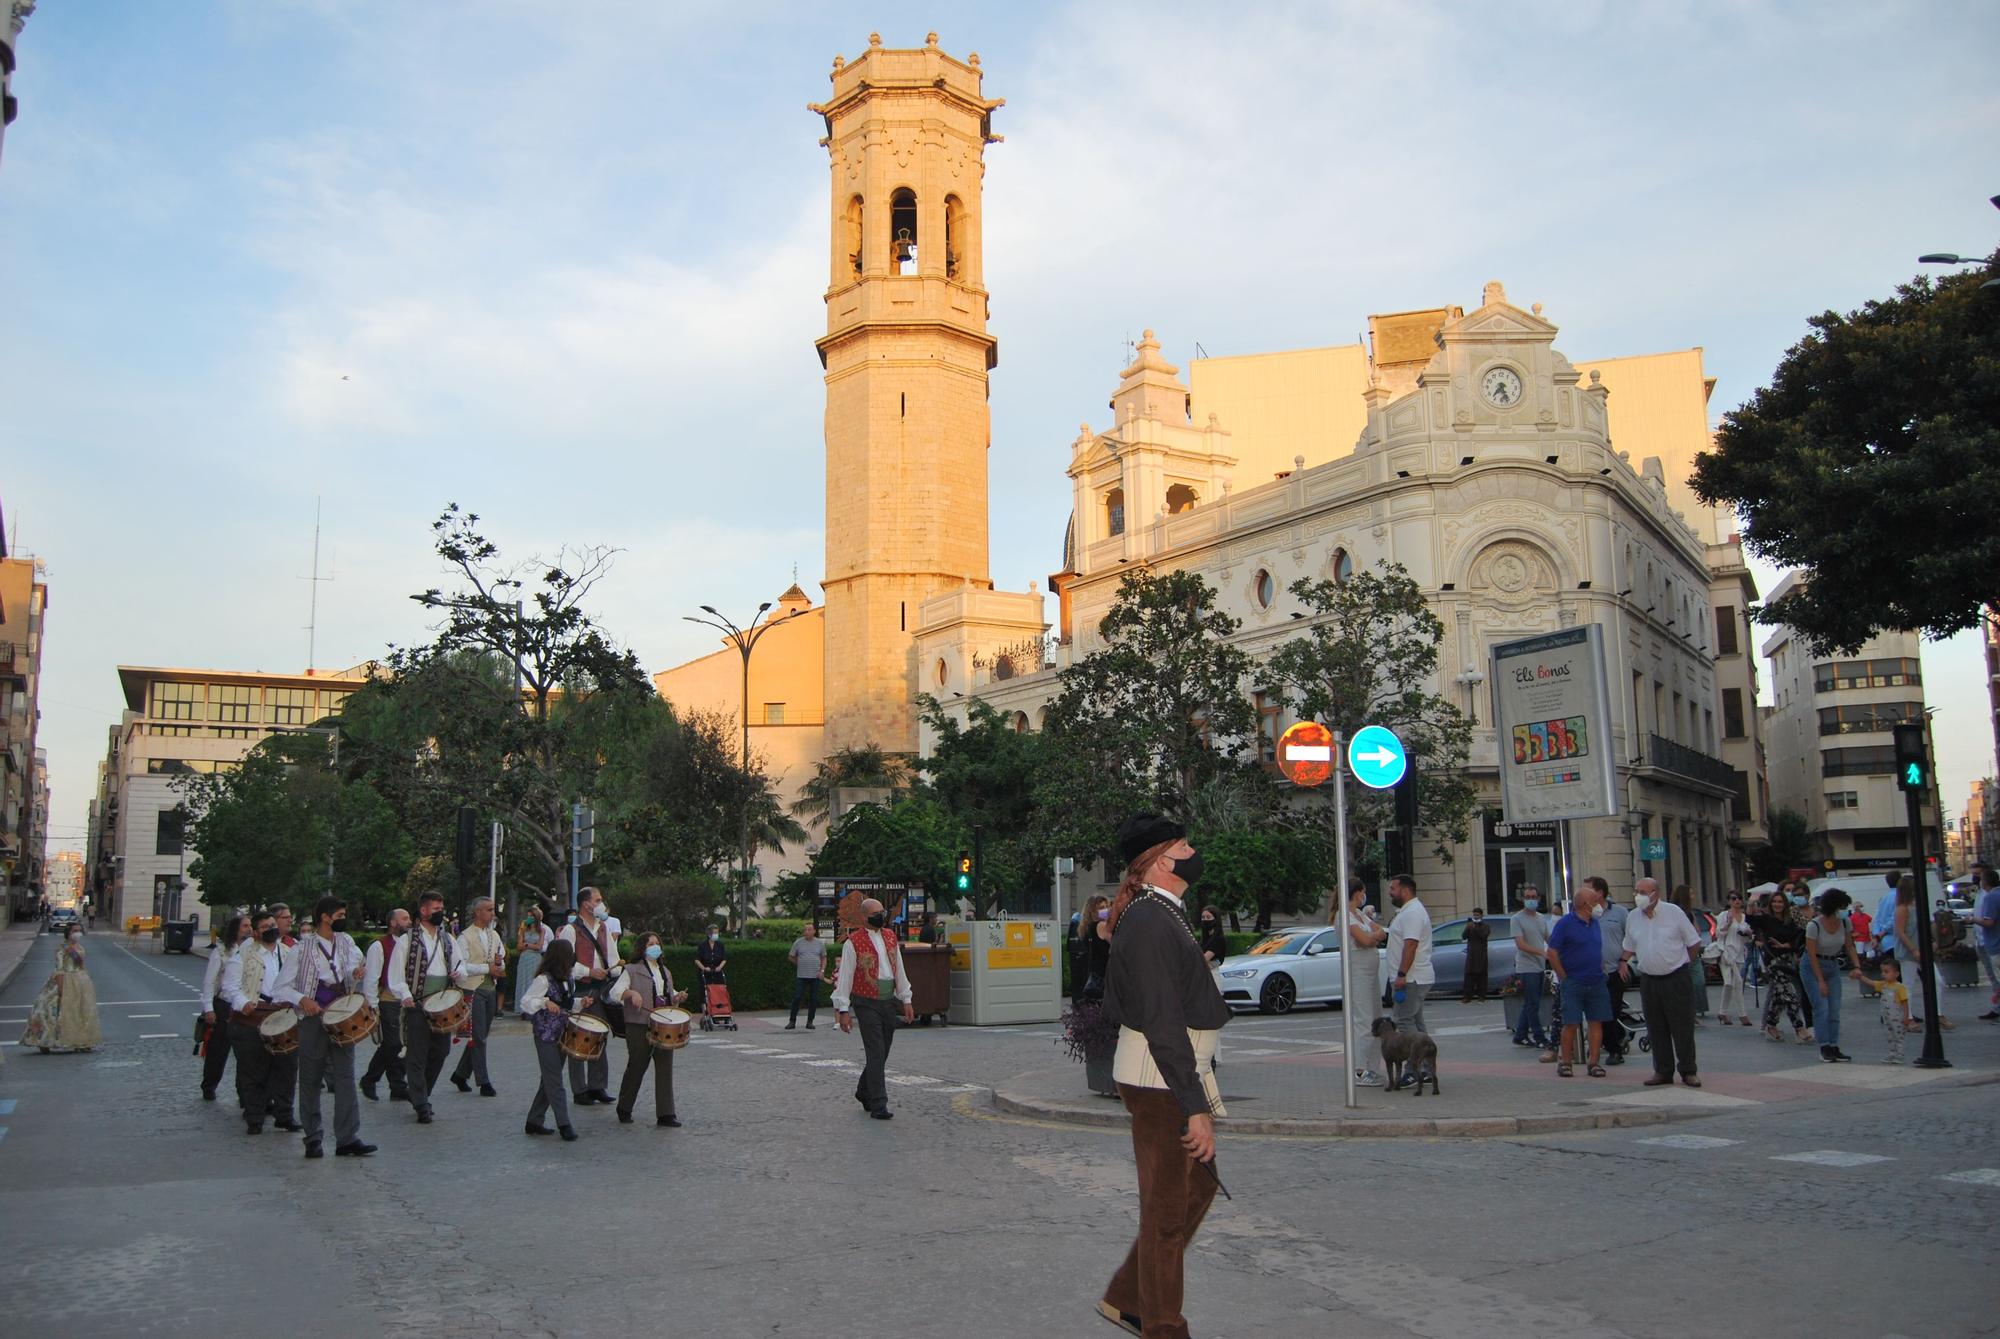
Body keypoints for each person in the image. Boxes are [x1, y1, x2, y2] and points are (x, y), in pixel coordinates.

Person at [1095, 813, 1228, 1339]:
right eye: (1186, 844)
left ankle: (1127, 1297)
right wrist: (1193, 1105)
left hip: (1168, 1072)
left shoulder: (1162, 911)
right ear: (1162, 860)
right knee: (1168, 1214)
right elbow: (1161, 1017)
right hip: (1161, 1079)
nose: (1195, 852)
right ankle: (1163, 1327)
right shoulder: (1151, 919)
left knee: (1198, 1189)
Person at [289, 895, 375, 1159]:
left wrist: (356, 974)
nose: (343, 919)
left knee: (345, 1077)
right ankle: (313, 1137)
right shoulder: (302, 948)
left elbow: (353, 968)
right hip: (313, 1016)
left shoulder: (347, 942)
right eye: (339, 915)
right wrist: (303, 999)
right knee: (311, 1077)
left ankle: (347, 1138)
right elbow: (281, 986)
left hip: (342, 1015)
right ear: (325, 917)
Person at [831, 897, 915, 1120]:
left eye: (883, 912)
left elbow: (899, 970)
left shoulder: (890, 936)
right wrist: (843, 1010)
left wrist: (906, 999)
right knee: (875, 1050)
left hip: (888, 1000)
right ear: (865, 917)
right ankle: (879, 1103)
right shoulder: (853, 942)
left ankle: (863, 1090)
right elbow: (846, 977)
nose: (882, 916)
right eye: (877, 913)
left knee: (883, 1050)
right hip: (865, 1001)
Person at [220, 910, 302, 1134]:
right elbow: (229, 988)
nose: (271, 929)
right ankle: (255, 1118)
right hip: (251, 1018)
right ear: (255, 933)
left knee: (287, 1070)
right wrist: (243, 1003)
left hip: (283, 1017)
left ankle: (284, 1115)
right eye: (265, 926)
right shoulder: (243, 956)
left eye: (272, 924)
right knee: (254, 1072)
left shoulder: (288, 953)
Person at [1617, 877, 1702, 1087]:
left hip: (1675, 977)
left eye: (1643, 892)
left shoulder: (1673, 912)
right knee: (1655, 1027)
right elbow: (1629, 943)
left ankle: (1688, 1070)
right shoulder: (1633, 917)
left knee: (1682, 1026)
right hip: (1649, 979)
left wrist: (1684, 964)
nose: (1638, 896)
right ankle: (1662, 1070)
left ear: (1655, 893)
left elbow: (1693, 942)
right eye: (1636, 891)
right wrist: (1622, 962)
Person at [387, 890, 461, 1124]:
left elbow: (461, 964)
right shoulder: (407, 939)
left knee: (441, 1051)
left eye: (442, 908)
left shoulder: (448, 938)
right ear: (423, 911)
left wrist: (458, 973)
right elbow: (396, 974)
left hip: (443, 1003)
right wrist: (406, 995)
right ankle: (421, 1104)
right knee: (417, 1053)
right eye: (436, 909)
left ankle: (421, 1093)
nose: (441, 912)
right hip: (418, 1001)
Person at [613, 931, 687, 1127]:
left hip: (663, 1023)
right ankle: (625, 1106)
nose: (655, 947)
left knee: (665, 1066)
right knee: (637, 1064)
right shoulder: (631, 970)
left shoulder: (666, 971)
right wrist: (630, 994)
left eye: (657, 943)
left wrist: (677, 997)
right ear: (642, 948)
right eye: (650, 944)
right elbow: (614, 993)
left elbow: (668, 994)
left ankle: (666, 1113)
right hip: (639, 1023)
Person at [560, 887, 622, 1105]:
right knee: (577, 1037)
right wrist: (588, 971)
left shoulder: (603, 928)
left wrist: (617, 974)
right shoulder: (570, 930)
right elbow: (564, 962)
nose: (601, 903)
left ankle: (598, 1086)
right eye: (598, 900)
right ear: (586, 904)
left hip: (601, 987)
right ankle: (579, 1089)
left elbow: (613, 957)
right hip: (580, 987)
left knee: (600, 1035)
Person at [1546, 883, 1610, 1078]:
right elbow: (1552, 951)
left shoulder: (1595, 923)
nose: (1599, 905)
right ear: (1584, 904)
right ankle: (1565, 1062)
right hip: (1573, 981)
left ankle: (1594, 1063)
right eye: (1595, 902)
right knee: (1571, 1022)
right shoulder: (1566, 924)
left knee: (1596, 1022)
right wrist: (1563, 976)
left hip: (1596, 980)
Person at [518, 940, 580, 1141]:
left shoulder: (568, 979)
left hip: (563, 1033)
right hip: (545, 1034)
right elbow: (526, 1003)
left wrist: (581, 1003)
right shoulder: (543, 980)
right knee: (555, 1079)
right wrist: (544, 1002)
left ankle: (534, 1120)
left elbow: (566, 1003)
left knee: (549, 1078)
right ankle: (564, 1124)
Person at [449, 896, 506, 1097]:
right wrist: (487, 967)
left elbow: (502, 959)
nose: (492, 913)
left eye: (492, 909)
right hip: (473, 988)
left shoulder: (494, 935)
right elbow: (461, 965)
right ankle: (483, 1081)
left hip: (490, 987)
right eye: (489, 910)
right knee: (479, 1036)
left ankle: (460, 1073)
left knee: (480, 1034)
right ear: (478, 913)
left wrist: (499, 967)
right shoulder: (464, 937)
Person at [20, 926, 102, 1054]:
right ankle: (45, 1041)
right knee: (51, 1010)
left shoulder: (80, 947)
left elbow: (81, 965)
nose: (77, 933)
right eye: (74, 931)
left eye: (79, 930)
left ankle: (81, 1041)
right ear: (68, 933)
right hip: (65, 980)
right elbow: (59, 969)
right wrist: (61, 988)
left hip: (80, 981)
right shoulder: (62, 948)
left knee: (79, 1011)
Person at [1340, 878, 1389, 1087]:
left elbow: (1380, 931)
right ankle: (1360, 1069)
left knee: (1376, 1018)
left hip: (1371, 971)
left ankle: (1373, 1067)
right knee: (1364, 1019)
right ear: (1357, 893)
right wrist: (1374, 935)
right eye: (1363, 892)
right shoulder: (1344, 916)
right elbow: (1366, 939)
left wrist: (1374, 934)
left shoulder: (1359, 914)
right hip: (1358, 971)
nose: (1364, 896)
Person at [359, 908, 411, 1103]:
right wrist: (372, 1005)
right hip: (388, 999)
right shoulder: (379, 946)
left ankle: (397, 1085)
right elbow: (372, 977)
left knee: (403, 1043)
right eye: (404, 919)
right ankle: (370, 1079)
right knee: (392, 1043)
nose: (409, 922)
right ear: (392, 923)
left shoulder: (409, 944)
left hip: (406, 1000)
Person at [1892, 874, 1953, 1031]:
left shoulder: (1918, 906)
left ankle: (1937, 1014)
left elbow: (1925, 926)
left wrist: (1932, 942)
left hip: (1922, 950)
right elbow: (1900, 932)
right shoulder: (1902, 909)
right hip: (1909, 952)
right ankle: (1908, 1017)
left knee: (1937, 981)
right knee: (1908, 985)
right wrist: (1913, 949)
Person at [1801, 888, 1856, 1063]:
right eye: (1842, 907)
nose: (1845, 910)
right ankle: (1824, 1045)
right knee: (1821, 1007)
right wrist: (1820, 981)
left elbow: (1849, 946)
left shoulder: (1845, 923)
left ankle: (1834, 1045)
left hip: (1832, 964)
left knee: (1835, 1008)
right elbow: (1811, 954)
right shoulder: (1814, 926)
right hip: (1813, 965)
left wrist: (1857, 965)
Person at [1749, 890, 1811, 1043]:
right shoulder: (1766, 919)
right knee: (1790, 994)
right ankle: (1799, 1028)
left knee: (1779, 995)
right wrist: (1751, 902)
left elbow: (1799, 937)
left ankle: (1770, 1025)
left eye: (1780, 902)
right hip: (1774, 962)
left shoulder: (1789, 921)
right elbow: (1749, 918)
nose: (1777, 904)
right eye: (1774, 902)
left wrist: (1787, 945)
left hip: (1787, 960)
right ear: (1770, 904)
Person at [198, 914, 247, 1100]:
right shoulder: (220, 952)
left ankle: (244, 1092)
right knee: (218, 1051)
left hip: (243, 1007)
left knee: (244, 1053)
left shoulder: (252, 952)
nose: (249, 929)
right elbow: (209, 982)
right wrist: (209, 1008)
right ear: (235, 929)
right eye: (245, 926)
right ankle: (209, 1085)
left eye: (250, 926)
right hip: (224, 1006)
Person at [1384, 874, 1433, 1054]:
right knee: (1416, 1022)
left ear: (1404, 890)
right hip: (1413, 977)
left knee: (1404, 1021)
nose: (1390, 893)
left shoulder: (1412, 913)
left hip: (1411, 978)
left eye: (1392, 889)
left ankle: (1414, 1068)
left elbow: (1411, 945)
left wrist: (1402, 974)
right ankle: (1426, 1066)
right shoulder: (1408, 911)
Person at [1591, 877, 1631, 1063]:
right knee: (1601, 1013)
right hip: (1594, 973)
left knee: (1611, 1011)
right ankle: (1615, 1042)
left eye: (1588, 889)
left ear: (1599, 892)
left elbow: (1631, 939)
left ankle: (1615, 1050)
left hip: (1616, 970)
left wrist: (1624, 960)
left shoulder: (1620, 913)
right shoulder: (1586, 913)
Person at [1509, 887, 1553, 1050]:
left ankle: (1520, 1035)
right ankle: (1539, 1036)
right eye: (1527, 897)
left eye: (1533, 896)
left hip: (1539, 965)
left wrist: (1557, 950)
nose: (1531, 899)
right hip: (1526, 966)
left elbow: (1548, 937)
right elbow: (1520, 944)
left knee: (1531, 1002)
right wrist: (1541, 952)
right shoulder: (1517, 919)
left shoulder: (1541, 918)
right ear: (1523, 899)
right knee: (1533, 1003)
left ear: (1539, 898)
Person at [1855, 956, 1910, 1063]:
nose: (1883, 974)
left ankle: (1900, 1055)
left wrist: (1906, 1016)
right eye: (1882, 972)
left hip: (1897, 1017)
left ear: (1896, 974)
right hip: (1886, 1017)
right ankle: (1892, 1053)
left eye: (1886, 972)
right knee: (1890, 1036)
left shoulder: (1900, 987)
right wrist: (1860, 977)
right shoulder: (1883, 985)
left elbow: (1905, 1002)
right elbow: (1871, 982)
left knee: (1898, 1036)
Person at [1713, 892, 1754, 1026]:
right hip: (1726, 952)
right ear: (1729, 901)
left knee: (1728, 984)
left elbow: (1748, 936)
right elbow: (1718, 933)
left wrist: (1748, 934)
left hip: (1739, 953)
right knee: (1738, 981)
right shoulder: (1724, 915)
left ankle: (1722, 1012)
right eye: (1733, 899)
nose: (1737, 901)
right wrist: (1728, 924)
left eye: (1739, 899)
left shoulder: (1744, 917)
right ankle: (1743, 1015)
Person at [787, 921, 830, 1029]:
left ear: (814, 931)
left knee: (813, 999)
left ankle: (810, 1021)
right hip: (801, 975)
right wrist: (799, 962)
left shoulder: (819, 943)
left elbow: (824, 958)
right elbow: (791, 956)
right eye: (805, 929)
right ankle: (792, 1021)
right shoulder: (798, 942)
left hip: (815, 975)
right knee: (797, 997)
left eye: (809, 929)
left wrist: (822, 971)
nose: (807, 932)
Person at [515, 902, 554, 1019]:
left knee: (533, 982)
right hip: (524, 958)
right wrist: (529, 945)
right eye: (528, 916)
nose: (529, 918)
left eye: (532, 916)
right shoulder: (523, 929)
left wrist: (526, 944)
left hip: (536, 958)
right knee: (523, 982)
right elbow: (519, 946)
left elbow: (539, 946)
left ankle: (532, 1009)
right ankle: (521, 1009)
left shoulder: (542, 930)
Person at [1973, 866, 2000, 1021]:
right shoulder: (1981, 894)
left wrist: (1972, 920)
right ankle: (1996, 1008)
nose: (1976, 879)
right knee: (1993, 977)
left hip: (1993, 943)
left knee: (1997, 977)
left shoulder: (1991, 896)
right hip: (1984, 940)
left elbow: (1989, 921)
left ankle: (1997, 1008)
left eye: (1979, 876)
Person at [1078, 896, 1112, 1000]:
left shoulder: (1085, 927)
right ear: (1092, 911)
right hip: (1105, 973)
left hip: (1094, 972)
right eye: (1101, 908)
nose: (1106, 910)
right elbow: (1117, 943)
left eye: (1107, 906)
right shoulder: (1101, 925)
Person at [694, 923, 727, 1014]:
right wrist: (704, 968)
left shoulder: (720, 945)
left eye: (717, 933)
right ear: (709, 934)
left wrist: (719, 967)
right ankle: (705, 1013)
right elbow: (697, 960)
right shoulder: (702, 945)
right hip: (706, 973)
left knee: (718, 992)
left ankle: (719, 1011)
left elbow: (724, 959)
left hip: (717, 973)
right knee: (704, 993)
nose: (716, 935)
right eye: (714, 933)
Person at [1461, 907, 1491, 1003]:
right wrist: (1468, 927)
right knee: (1469, 975)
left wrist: (1475, 928)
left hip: (1481, 954)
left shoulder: (1485, 926)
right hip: (1471, 954)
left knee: (1481, 976)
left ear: (1481, 915)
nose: (1475, 916)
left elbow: (1483, 936)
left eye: (1477, 915)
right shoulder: (1470, 925)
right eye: (1474, 915)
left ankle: (1481, 996)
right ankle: (1467, 996)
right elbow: (1464, 936)